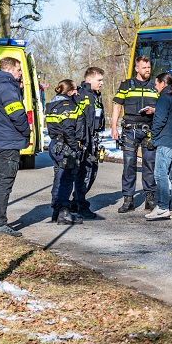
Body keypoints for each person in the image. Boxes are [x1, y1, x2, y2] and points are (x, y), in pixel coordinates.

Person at [0, 57, 28, 237]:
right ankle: (0, 223)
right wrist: (26, 131)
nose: (20, 74)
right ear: (9, 70)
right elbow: (17, 114)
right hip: (7, 143)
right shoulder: (7, 88)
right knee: (4, 182)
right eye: (18, 70)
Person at [111, 56, 158, 213]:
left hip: (149, 131)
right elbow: (117, 106)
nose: (148, 70)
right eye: (144, 68)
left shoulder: (155, 86)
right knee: (129, 165)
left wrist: (155, 111)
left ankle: (150, 199)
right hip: (130, 130)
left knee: (149, 165)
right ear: (137, 69)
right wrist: (113, 127)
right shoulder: (126, 85)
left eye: (149, 67)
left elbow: (164, 106)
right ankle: (128, 200)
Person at [146, 72, 172, 221]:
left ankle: (163, 207)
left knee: (160, 174)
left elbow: (159, 121)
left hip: (166, 142)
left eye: (156, 84)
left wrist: (153, 139)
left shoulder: (164, 98)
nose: (155, 87)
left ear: (163, 83)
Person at [44, 79, 84, 225]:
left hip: (56, 145)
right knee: (66, 181)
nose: (78, 91)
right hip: (66, 147)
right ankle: (64, 213)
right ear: (70, 91)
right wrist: (75, 147)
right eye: (76, 88)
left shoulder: (52, 104)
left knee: (58, 179)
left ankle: (56, 210)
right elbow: (68, 129)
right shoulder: (67, 106)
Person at [72, 66, 105, 219]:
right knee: (85, 173)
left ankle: (76, 201)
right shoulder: (80, 94)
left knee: (91, 172)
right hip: (83, 141)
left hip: (93, 139)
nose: (102, 83)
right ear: (89, 79)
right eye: (99, 80)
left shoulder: (95, 96)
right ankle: (80, 205)